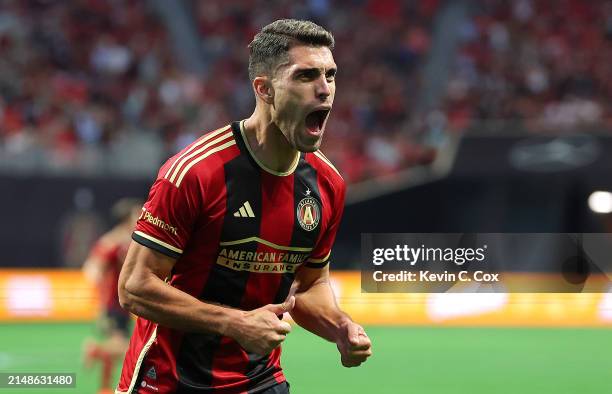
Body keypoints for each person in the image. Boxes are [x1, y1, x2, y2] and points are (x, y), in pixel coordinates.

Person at [116, 19, 372, 394]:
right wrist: (232, 322)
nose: (325, 90)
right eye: (306, 76)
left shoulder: (327, 185)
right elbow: (135, 287)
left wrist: (340, 327)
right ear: (264, 89)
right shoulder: (195, 172)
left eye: (331, 75)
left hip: (260, 381)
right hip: (171, 381)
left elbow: (311, 283)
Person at [82, 198, 143, 394]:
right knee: (127, 349)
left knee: (118, 348)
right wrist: (97, 279)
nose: (140, 216)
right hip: (112, 305)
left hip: (124, 304)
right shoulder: (112, 241)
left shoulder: (129, 240)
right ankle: (95, 350)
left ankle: (104, 389)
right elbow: (91, 267)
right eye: (137, 214)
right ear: (127, 218)